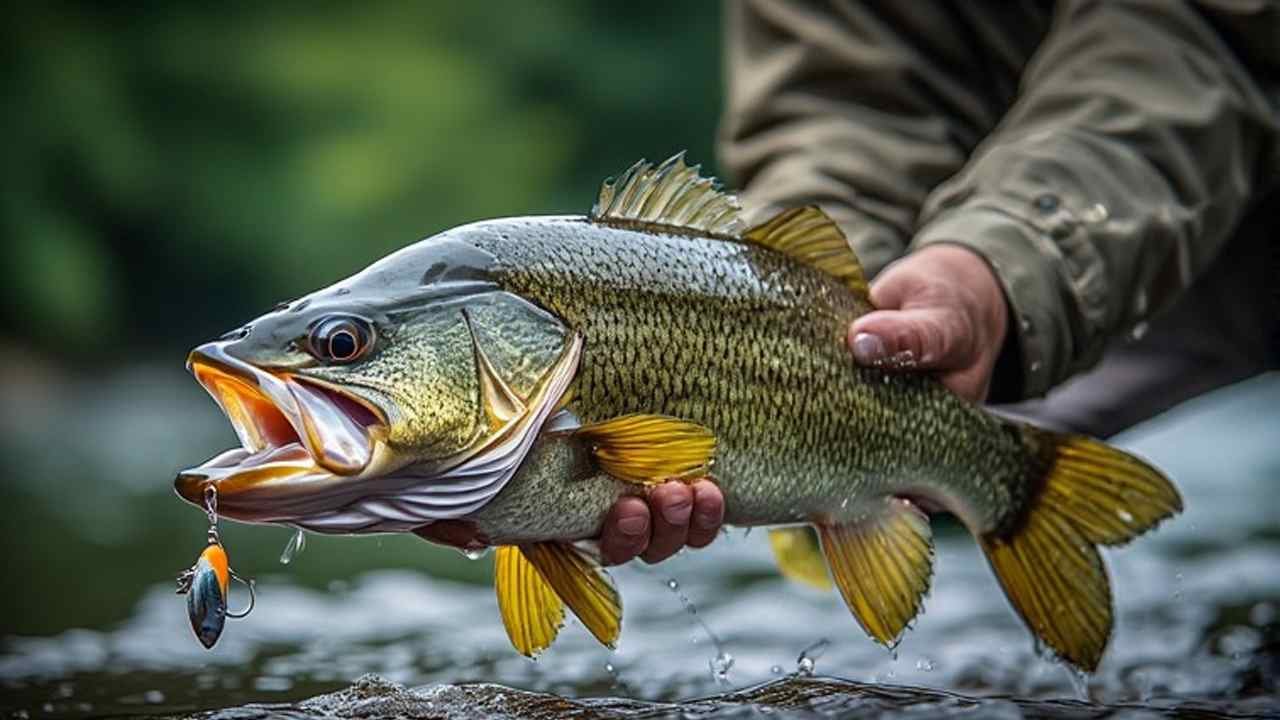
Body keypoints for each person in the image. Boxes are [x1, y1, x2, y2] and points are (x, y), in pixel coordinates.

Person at [594, 0, 1280, 566]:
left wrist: (1000, 260)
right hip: (1004, 276)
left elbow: (1202, 43)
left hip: (1143, 222)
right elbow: (840, 104)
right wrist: (835, 313)